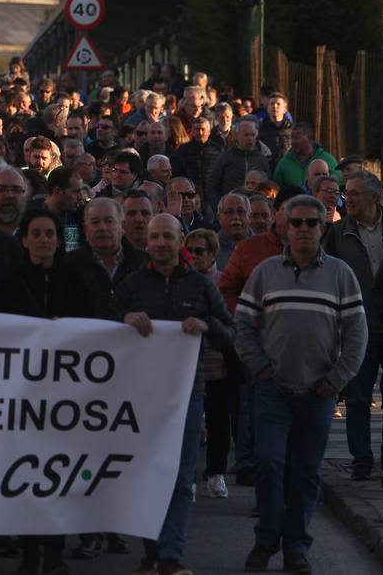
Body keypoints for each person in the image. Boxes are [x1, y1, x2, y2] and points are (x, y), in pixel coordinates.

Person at [237, 195, 368, 574]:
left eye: (312, 223)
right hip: (272, 389)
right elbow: (243, 324)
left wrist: (336, 379)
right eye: (296, 223)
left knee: (306, 472)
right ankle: (267, 539)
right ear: (284, 227)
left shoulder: (341, 274)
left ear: (323, 228)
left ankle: (296, 547)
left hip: (318, 392)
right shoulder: (265, 272)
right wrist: (258, 366)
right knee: (268, 463)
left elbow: (356, 334)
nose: (304, 229)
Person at [114, 214, 235, 575]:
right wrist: (125, 319)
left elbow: (230, 330)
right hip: (140, 397)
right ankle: (152, 550)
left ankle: (171, 557)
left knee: (181, 477)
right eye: (155, 237)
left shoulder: (199, 285)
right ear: (147, 242)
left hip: (187, 394)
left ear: (179, 239)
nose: (161, 243)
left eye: (168, 236)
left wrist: (207, 325)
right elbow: (105, 324)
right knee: (144, 475)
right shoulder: (132, 284)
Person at [0, 206, 93, 575]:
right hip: (22, 393)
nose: (44, 240)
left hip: (65, 394)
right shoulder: (12, 281)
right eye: (37, 234)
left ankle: (54, 552)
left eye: (50, 233)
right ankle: (29, 553)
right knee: (26, 475)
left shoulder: (74, 280)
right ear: (25, 239)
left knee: (58, 476)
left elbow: (92, 327)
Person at [324, 170, 383, 480]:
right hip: (357, 325)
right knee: (359, 396)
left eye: (355, 193)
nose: (349, 199)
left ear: (375, 197)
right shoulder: (338, 232)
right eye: (348, 193)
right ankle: (361, 458)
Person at [185, 228, 237, 500]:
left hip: (217, 363)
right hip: (186, 366)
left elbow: (230, 323)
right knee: (190, 425)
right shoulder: (180, 282)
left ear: (213, 253)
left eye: (200, 251)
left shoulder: (222, 283)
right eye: (190, 251)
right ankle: (189, 476)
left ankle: (216, 473)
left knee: (219, 422)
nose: (194, 257)